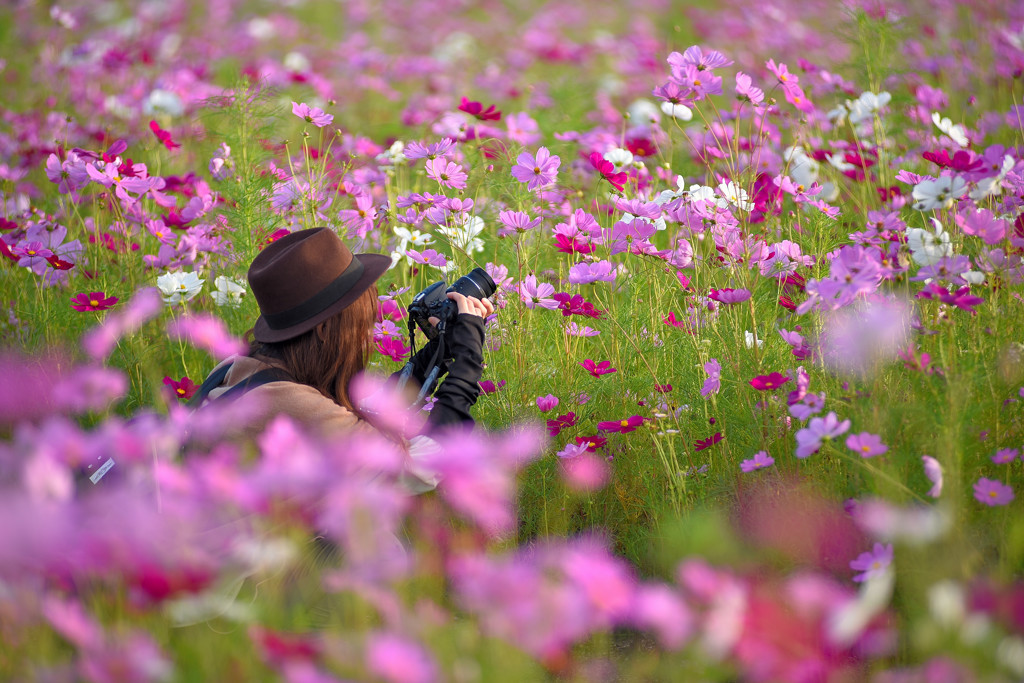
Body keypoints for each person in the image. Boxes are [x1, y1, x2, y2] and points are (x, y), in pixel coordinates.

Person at [190, 227, 494, 443]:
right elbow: (422, 465)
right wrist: (468, 361)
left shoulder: (240, 368)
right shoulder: (290, 404)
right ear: (325, 330)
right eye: (361, 322)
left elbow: (369, 411)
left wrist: (436, 353)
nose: (368, 335)